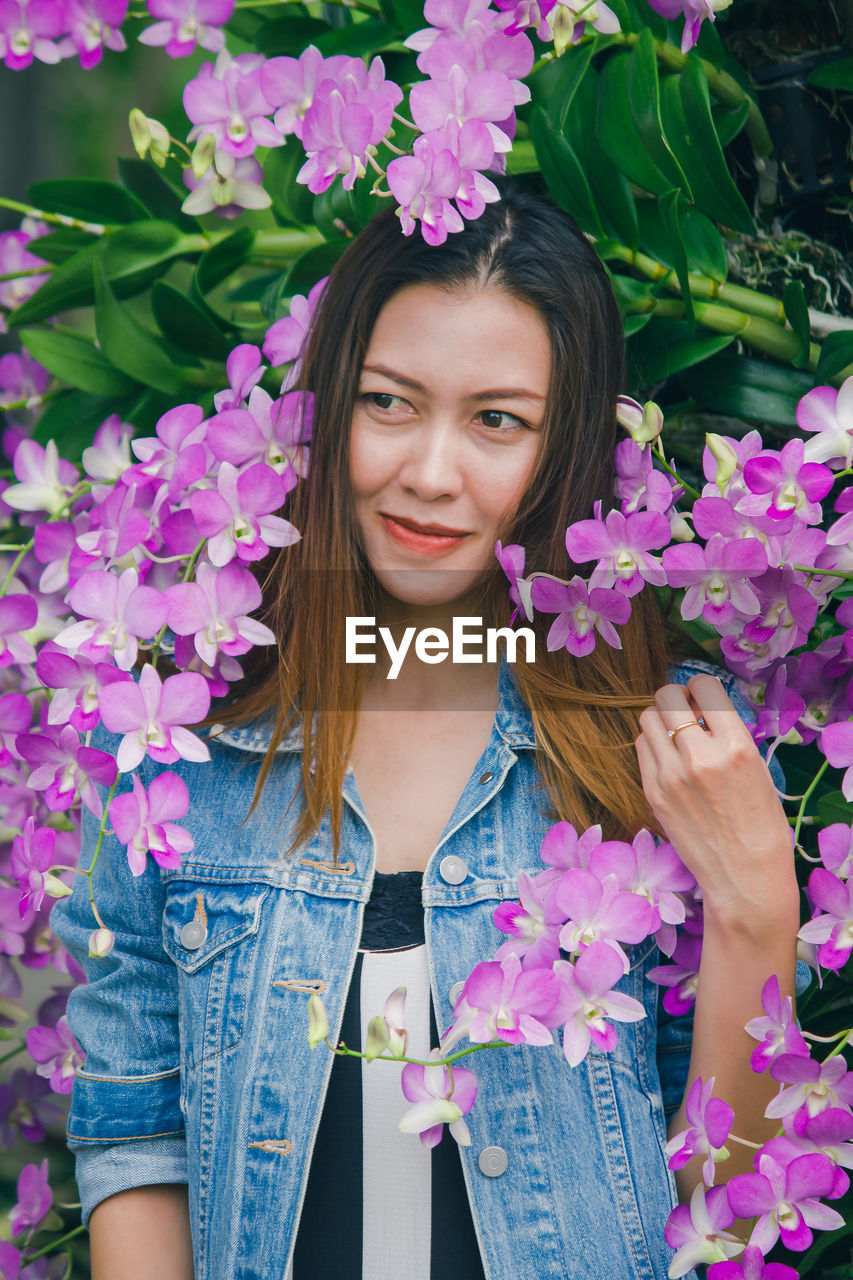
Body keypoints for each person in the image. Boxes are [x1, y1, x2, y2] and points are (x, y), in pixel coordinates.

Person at [51, 176, 805, 1280]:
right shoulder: (182, 752)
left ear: (568, 451)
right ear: (323, 407)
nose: (430, 472)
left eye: (498, 420)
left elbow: (724, 1215)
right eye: (388, 402)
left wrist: (755, 909)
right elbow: (135, 1144)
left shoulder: (656, 748)